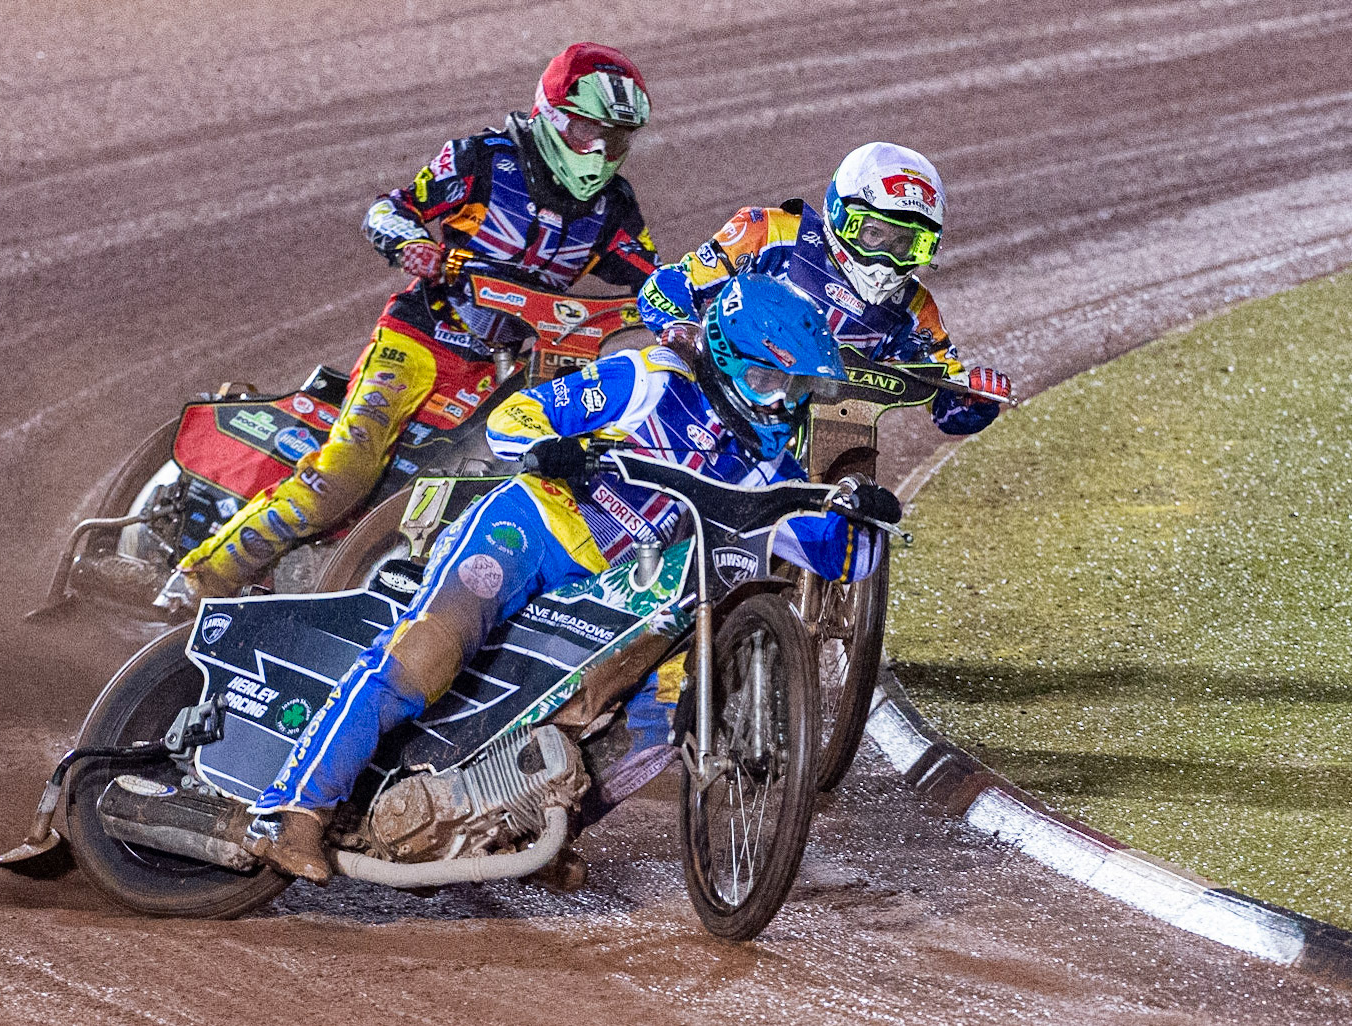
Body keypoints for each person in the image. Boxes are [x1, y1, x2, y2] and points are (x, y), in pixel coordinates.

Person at [240, 274, 901, 879]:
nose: (781, 403)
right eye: (768, 383)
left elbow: (839, 557)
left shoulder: (771, 469)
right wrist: (556, 449)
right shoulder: (645, 379)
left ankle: (521, 829)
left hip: (619, 591)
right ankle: (291, 809)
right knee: (425, 657)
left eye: (798, 390)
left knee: (660, 719)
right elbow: (516, 417)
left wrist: (859, 516)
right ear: (727, 361)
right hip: (530, 529)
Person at [156, 43, 660, 614]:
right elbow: (388, 209)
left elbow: (655, 281)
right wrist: (413, 242)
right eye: (585, 131)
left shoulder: (614, 206)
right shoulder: (483, 160)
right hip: (420, 338)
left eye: (613, 140)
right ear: (550, 115)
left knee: (546, 476)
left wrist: (704, 294)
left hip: (514, 367)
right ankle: (197, 581)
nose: (597, 151)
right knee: (348, 471)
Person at [636, 141, 1011, 435]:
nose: (887, 258)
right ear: (840, 214)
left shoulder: (914, 311)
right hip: (712, 402)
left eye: (907, 245)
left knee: (860, 516)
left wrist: (975, 398)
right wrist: (682, 327)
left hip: (817, 445)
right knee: (649, 380)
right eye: (875, 233)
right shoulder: (771, 232)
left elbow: (946, 407)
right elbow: (667, 285)